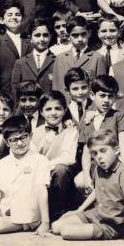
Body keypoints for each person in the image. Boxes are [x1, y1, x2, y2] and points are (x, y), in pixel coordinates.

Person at [52, 130, 124, 246]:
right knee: (56, 226)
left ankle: (106, 230)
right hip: (96, 214)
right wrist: (79, 210)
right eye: (94, 153)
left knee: (66, 232)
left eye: (103, 151)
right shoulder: (98, 169)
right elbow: (96, 191)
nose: (99, 156)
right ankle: (87, 226)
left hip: (112, 224)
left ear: (116, 150)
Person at [0, 116, 50, 236]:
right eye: (14, 140)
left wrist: (45, 222)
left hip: (27, 210)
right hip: (4, 208)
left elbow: (41, 191)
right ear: (7, 142)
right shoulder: (1, 164)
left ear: (30, 136)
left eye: (23, 137)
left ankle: (27, 224)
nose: (20, 143)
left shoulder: (40, 160)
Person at [74, 76, 124, 194]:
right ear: (92, 95)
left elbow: (123, 142)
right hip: (95, 165)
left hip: (115, 163)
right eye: (102, 96)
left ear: (115, 98)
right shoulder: (87, 118)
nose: (106, 100)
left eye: (110, 96)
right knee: (79, 181)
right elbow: (86, 151)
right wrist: (87, 177)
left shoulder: (119, 116)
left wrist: (123, 167)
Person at [32, 91, 79, 221]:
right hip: (40, 173)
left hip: (61, 174)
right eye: (48, 109)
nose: (53, 113)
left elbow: (68, 158)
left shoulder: (70, 130)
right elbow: (32, 156)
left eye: (58, 108)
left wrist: (45, 166)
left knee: (60, 169)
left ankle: (57, 212)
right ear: (41, 112)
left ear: (64, 110)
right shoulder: (36, 132)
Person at [52, 15, 108, 98]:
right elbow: (56, 88)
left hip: (89, 108)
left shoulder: (98, 58)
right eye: (75, 35)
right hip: (66, 107)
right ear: (68, 35)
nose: (80, 39)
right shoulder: (60, 58)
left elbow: (101, 89)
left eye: (83, 34)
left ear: (89, 33)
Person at [0, 2, 31, 95]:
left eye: (18, 15)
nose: (14, 17)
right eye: (9, 15)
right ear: (3, 20)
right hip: (6, 91)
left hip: (28, 91)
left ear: (22, 19)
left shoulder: (29, 40)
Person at [10, 17, 55, 96]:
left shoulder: (57, 61)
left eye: (45, 35)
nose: (42, 39)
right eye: (37, 35)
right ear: (30, 37)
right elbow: (15, 91)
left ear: (50, 37)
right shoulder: (20, 63)